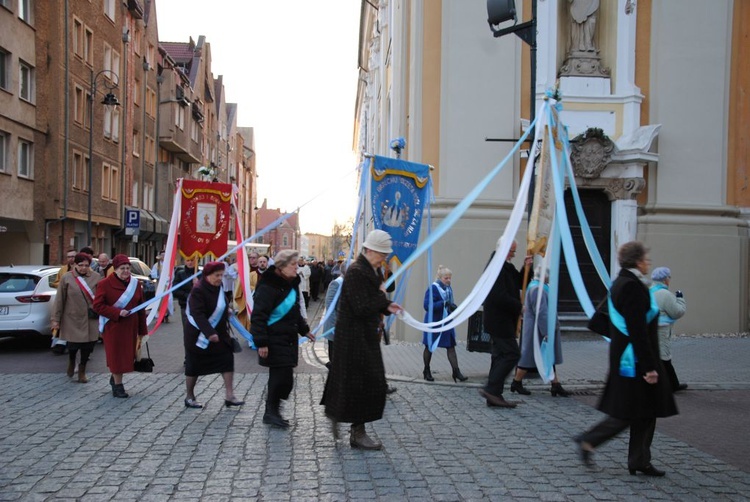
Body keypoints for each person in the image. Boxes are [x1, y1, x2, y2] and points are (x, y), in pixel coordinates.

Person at [575, 241, 678, 476]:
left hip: (629, 357)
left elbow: (601, 321)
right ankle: (588, 441)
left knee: (646, 410)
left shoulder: (620, 283)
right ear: (638, 261)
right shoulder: (631, 286)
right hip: (634, 362)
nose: (648, 263)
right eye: (645, 259)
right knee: (629, 412)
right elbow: (638, 330)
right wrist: (649, 367)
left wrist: (620, 340)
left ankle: (639, 460)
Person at [323, 230, 403, 450]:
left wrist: (387, 305)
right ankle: (356, 431)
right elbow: (361, 306)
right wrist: (382, 301)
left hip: (364, 336)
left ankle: (340, 417)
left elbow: (372, 300)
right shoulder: (358, 271)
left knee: (361, 382)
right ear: (370, 250)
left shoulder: (370, 270)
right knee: (364, 383)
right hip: (353, 339)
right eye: (382, 253)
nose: (384, 258)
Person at [251, 250, 315, 428]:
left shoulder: (291, 284)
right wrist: (261, 342)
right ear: (281, 267)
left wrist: (305, 330)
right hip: (273, 339)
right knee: (280, 377)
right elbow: (258, 316)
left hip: (288, 338)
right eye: (293, 264)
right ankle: (271, 412)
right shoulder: (267, 286)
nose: (297, 267)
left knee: (284, 379)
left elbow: (294, 311)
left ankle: (272, 411)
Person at [183, 261, 244, 409]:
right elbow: (197, 314)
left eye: (221, 275)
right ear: (207, 275)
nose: (219, 278)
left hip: (220, 334)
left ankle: (230, 396)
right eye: (217, 275)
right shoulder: (198, 290)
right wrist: (209, 333)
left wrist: (227, 311)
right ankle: (190, 396)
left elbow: (220, 305)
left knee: (227, 361)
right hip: (199, 336)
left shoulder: (219, 287)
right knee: (194, 366)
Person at [479, 240, 529, 408]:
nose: (513, 255)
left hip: (502, 320)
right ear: (505, 250)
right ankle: (491, 389)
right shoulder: (496, 267)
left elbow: (519, 281)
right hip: (499, 320)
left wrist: (526, 266)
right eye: (512, 252)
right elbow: (498, 296)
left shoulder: (505, 265)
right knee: (512, 354)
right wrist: (519, 307)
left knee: (499, 356)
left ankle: (494, 396)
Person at [93, 254, 148, 398]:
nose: (125, 271)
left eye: (128, 268)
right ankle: (118, 387)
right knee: (117, 357)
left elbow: (140, 308)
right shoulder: (104, 284)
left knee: (127, 357)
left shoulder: (135, 284)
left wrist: (143, 330)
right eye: (122, 268)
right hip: (114, 327)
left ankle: (115, 378)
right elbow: (97, 306)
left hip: (130, 327)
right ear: (115, 269)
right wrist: (117, 312)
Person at [510, 265, 571, 397]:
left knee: (548, 357)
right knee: (530, 357)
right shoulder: (538, 289)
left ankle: (555, 384)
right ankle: (516, 381)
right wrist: (546, 331)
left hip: (537, 329)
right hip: (537, 331)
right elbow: (541, 312)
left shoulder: (537, 287)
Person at [50, 253, 102, 383]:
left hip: (90, 318)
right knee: (73, 346)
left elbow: (102, 297)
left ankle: (82, 370)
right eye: (81, 265)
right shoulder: (67, 278)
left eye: (87, 265)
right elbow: (59, 300)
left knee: (88, 347)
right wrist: (55, 319)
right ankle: (72, 361)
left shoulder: (96, 277)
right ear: (74, 265)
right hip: (72, 318)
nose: (84, 268)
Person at [421, 265, 468, 383]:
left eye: (449, 278)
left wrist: (452, 307)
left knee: (451, 346)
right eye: (446, 278)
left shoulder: (448, 289)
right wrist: (443, 303)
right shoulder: (433, 288)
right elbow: (427, 306)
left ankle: (456, 371)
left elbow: (449, 303)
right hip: (434, 322)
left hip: (446, 322)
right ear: (440, 278)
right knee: (429, 347)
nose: (448, 280)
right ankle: (426, 370)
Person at [650, 267, 688, 392]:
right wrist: (680, 298)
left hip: (650, 329)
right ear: (665, 279)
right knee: (664, 358)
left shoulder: (649, 291)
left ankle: (667, 384)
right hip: (661, 330)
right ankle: (672, 385)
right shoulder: (665, 294)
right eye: (669, 277)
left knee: (655, 356)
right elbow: (677, 312)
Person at [50, 249, 78, 354]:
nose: (71, 258)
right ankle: (59, 344)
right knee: (61, 323)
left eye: (73, 256)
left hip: (77, 302)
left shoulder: (83, 269)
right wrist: (63, 285)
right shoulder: (63, 270)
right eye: (69, 257)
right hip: (64, 299)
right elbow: (57, 282)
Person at [323, 260, 348, 366]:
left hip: (345, 329)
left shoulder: (350, 283)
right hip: (336, 329)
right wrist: (336, 327)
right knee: (336, 362)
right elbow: (330, 307)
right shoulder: (336, 283)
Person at [173, 257, 200, 327]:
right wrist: (186, 295)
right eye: (188, 260)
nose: (190, 262)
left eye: (192, 260)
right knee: (187, 328)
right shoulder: (180, 274)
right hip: (185, 305)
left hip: (199, 306)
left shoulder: (201, 274)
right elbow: (175, 290)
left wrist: (198, 283)